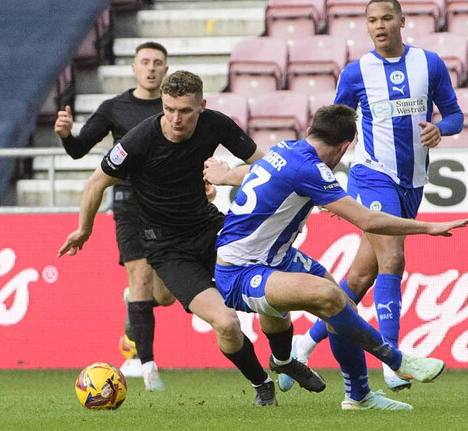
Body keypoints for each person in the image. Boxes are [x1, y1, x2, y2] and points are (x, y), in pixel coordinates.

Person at [57, 70, 326, 407]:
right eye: (169, 109)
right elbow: (96, 182)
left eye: (184, 110)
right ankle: (262, 384)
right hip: (167, 249)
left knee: (269, 295)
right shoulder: (140, 139)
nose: (175, 118)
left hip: (213, 230)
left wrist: (298, 190)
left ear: (202, 106)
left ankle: (284, 360)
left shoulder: (216, 124)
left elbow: (265, 166)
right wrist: (84, 229)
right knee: (226, 323)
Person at [205, 104, 468, 410]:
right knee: (330, 296)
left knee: (341, 304)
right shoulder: (311, 169)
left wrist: (226, 176)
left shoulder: (286, 149)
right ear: (346, 146)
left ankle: (358, 396)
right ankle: (396, 360)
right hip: (238, 272)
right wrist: (429, 227)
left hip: (276, 257)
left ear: (309, 132)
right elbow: (369, 220)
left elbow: (254, 171)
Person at [285, 0, 465, 392]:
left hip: (412, 182)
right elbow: (332, 130)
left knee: (362, 276)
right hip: (371, 176)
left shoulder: (429, 64)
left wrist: (442, 128)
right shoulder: (356, 72)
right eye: (371, 20)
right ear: (366, 26)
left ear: (402, 20)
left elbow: (454, 114)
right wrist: (322, 184)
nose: (379, 25)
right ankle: (394, 359)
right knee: (394, 258)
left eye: (386, 18)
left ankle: (304, 342)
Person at [54, 41, 189, 391]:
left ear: (166, 69)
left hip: (169, 205)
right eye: (145, 62)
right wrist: (67, 135)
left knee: (165, 295)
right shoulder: (115, 108)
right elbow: (79, 149)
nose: (151, 68)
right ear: (133, 68)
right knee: (140, 277)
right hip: (129, 202)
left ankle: (133, 302)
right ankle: (148, 369)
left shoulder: (175, 110)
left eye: (158, 63)